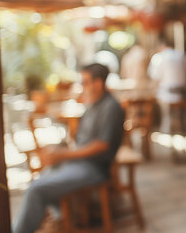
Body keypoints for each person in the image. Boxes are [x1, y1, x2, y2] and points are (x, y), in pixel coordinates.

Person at [13, 63, 125, 233]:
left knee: (36, 190)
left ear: (98, 83)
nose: (82, 86)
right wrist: (59, 151)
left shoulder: (111, 107)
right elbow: (80, 138)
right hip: (78, 162)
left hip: (94, 167)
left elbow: (102, 145)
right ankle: (60, 218)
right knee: (39, 180)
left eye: (85, 82)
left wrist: (64, 154)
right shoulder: (92, 104)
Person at [147, 39, 186, 134]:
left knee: (164, 113)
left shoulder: (159, 58)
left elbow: (155, 77)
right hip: (183, 93)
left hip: (167, 95)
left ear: (161, 47)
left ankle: (166, 130)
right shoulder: (181, 55)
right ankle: (181, 129)